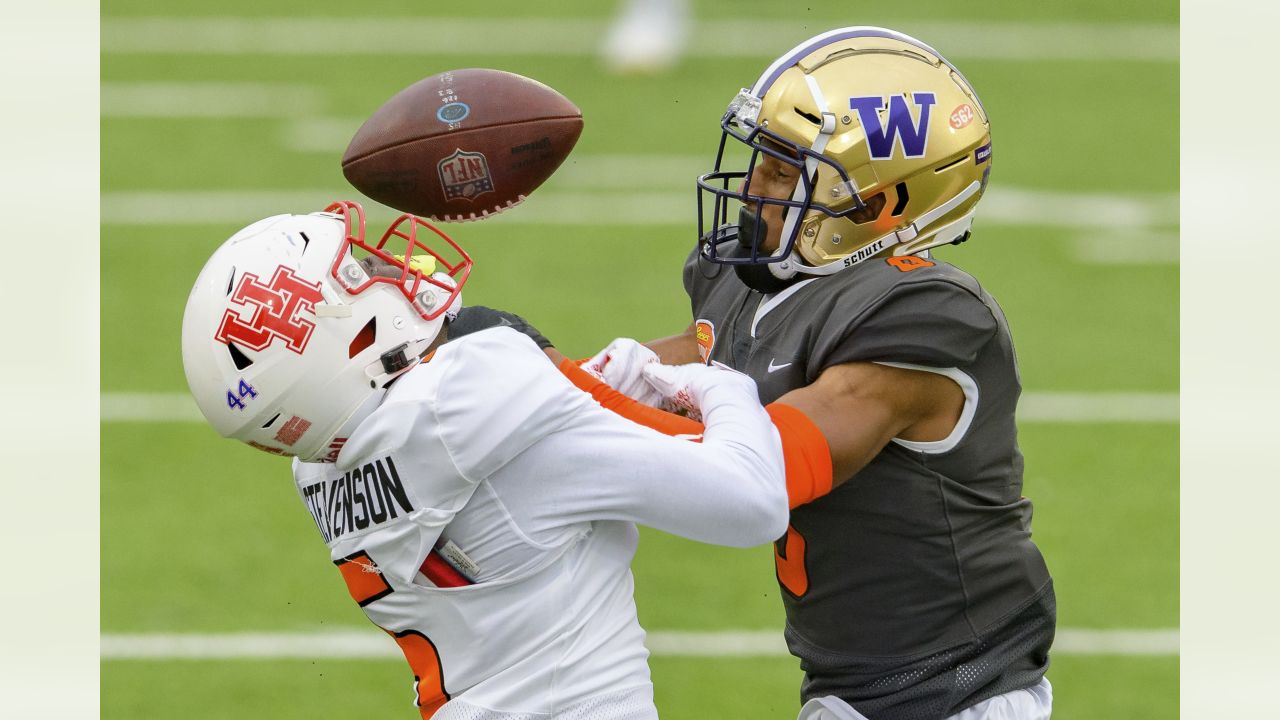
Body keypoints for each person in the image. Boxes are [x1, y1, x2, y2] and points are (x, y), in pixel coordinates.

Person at [531, 26, 1056, 720]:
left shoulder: (926, 313)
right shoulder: (765, 279)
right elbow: (695, 359)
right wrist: (526, 372)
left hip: (954, 693)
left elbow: (763, 466)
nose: (752, 187)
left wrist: (562, 405)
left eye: (784, 171)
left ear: (878, 203)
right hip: (858, 691)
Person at [179, 200, 789, 719]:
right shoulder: (469, 392)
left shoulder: (318, 463)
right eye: (357, 274)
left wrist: (588, 384)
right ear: (339, 340)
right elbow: (753, 500)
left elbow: (518, 473)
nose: (387, 268)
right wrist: (722, 388)